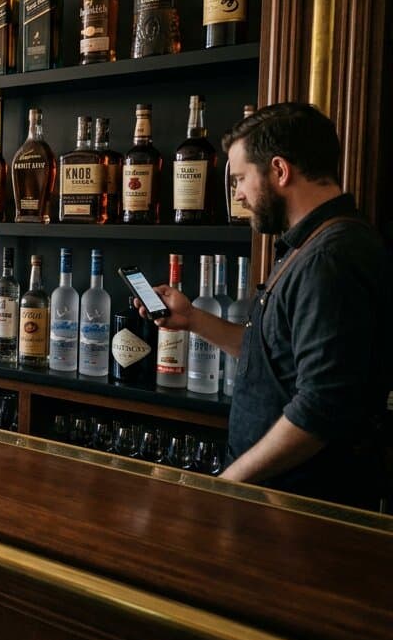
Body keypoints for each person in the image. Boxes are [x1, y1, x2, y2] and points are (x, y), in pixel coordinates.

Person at [139, 102, 389, 508]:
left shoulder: (331, 258)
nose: (237, 193)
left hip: (303, 509)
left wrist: (228, 483)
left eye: (240, 178)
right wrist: (193, 320)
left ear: (279, 170)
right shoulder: (309, 246)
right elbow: (276, 355)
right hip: (277, 500)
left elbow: (323, 406)